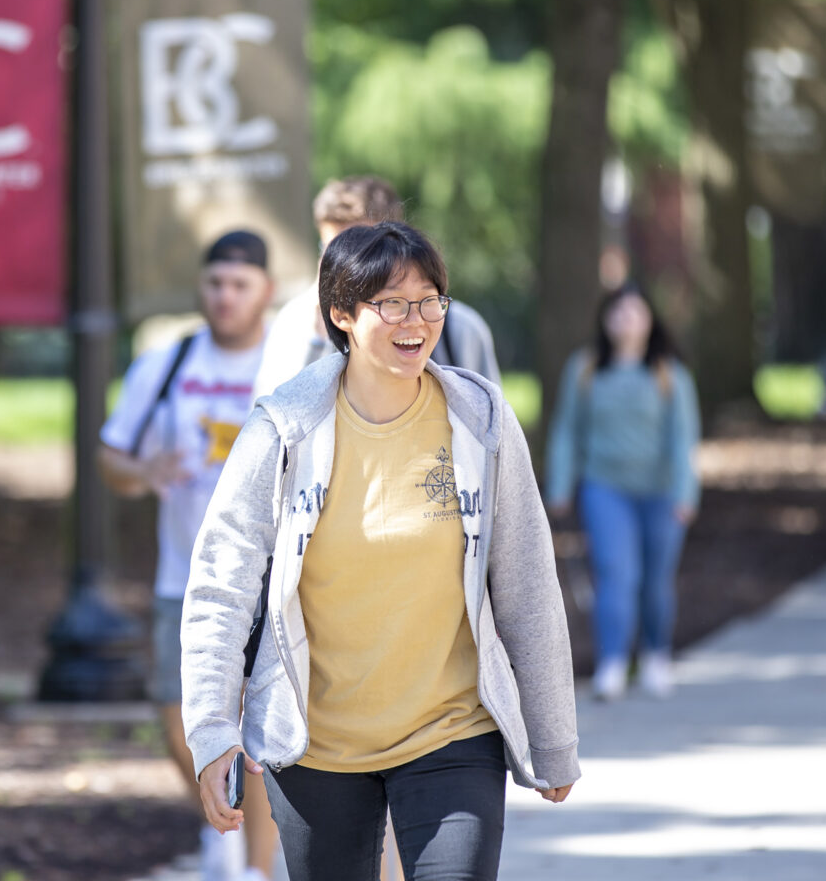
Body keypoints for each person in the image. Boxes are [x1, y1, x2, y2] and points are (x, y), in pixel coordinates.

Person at [181, 222, 579, 881]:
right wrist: (212, 730)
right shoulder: (283, 429)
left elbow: (527, 584)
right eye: (391, 303)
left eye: (429, 301)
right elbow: (222, 585)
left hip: (453, 732)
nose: (415, 320)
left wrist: (553, 738)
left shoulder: (480, 420)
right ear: (341, 313)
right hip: (316, 745)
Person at [98, 230, 280, 881]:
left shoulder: (286, 366)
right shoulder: (168, 364)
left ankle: (254, 869)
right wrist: (146, 469)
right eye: (215, 284)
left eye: (240, 285)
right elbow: (110, 456)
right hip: (183, 577)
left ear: (268, 291)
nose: (225, 297)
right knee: (179, 724)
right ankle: (219, 825)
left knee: (254, 735)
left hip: (266, 580)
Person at [543, 281, 701, 701]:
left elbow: (684, 439)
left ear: (650, 320)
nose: (627, 319)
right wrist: (559, 485)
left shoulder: (670, 374)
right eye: (619, 311)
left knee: (655, 582)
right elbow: (566, 430)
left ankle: (655, 656)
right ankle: (612, 662)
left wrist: (687, 495)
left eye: (636, 311)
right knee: (617, 574)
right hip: (605, 489)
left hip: (662, 494)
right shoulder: (585, 368)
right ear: (606, 319)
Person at [252, 175, 501, 400]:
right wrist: (319, 335)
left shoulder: (458, 329)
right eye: (332, 248)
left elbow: (487, 424)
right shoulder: (295, 323)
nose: (345, 264)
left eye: (364, 252)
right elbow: (274, 419)